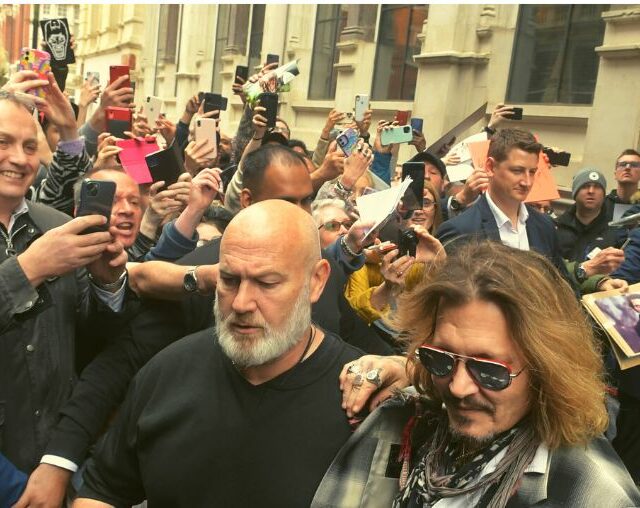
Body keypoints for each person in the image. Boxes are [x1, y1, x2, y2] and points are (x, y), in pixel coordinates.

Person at [71, 200, 363, 507]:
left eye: (266, 283)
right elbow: (102, 490)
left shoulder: (359, 398)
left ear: (316, 281)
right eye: (229, 280)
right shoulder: (168, 372)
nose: (241, 303)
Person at [312, 242, 640, 507]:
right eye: (441, 358)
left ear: (547, 369)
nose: (458, 387)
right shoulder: (401, 419)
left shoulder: (591, 493)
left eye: (489, 370)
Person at [0, 84, 131, 490]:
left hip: (60, 458)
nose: (20, 158)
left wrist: (108, 283)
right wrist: (29, 269)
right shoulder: (50, 244)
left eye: (29, 145)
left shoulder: (57, 227)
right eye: (3, 142)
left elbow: (92, 339)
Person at [436, 128, 623, 293]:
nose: (527, 182)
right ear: (490, 167)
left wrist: (598, 282)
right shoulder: (461, 230)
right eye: (517, 171)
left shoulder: (544, 225)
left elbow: (560, 285)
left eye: (532, 172)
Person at [555, 168, 626, 287]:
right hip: (561, 288)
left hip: (602, 290)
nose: (591, 191)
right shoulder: (557, 227)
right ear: (575, 192)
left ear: (604, 195)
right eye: (585, 186)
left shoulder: (616, 229)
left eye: (597, 187)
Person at [605, 149, 640, 222]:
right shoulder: (601, 205)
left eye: (634, 165)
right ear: (615, 174)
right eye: (623, 164)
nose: (627, 168)